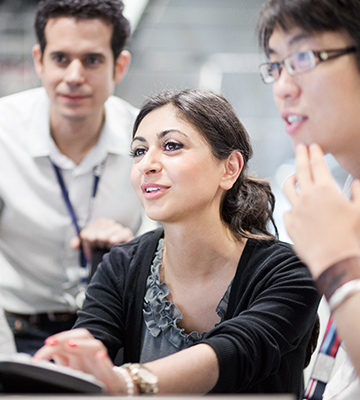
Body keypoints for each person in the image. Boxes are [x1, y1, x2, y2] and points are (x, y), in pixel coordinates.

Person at [34, 88, 319, 397]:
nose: (147, 165)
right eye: (139, 151)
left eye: (171, 146)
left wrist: (128, 383)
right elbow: (90, 349)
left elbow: (235, 352)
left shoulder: (290, 270)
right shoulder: (122, 265)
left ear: (230, 168)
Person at [0, 0, 153, 355]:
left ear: (120, 65)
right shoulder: (4, 133)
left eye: (92, 60)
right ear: (39, 60)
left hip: (116, 329)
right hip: (17, 327)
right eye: (60, 58)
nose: (74, 76)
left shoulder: (148, 142)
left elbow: (177, 243)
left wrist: (134, 248)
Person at [257, 0, 360, 398]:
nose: (283, 86)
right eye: (276, 65)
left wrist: (336, 264)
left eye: (303, 57)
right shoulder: (345, 196)